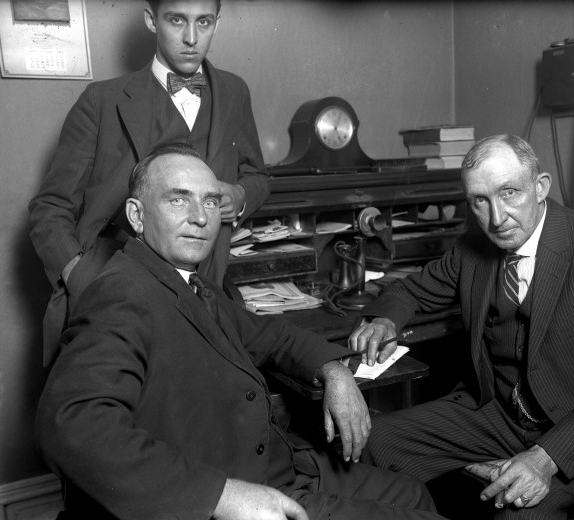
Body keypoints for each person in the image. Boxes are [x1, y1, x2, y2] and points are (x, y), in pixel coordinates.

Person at [35, 143, 445, 520]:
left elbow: (273, 334)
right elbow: (72, 425)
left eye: (210, 202)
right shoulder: (122, 294)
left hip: (273, 467)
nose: (199, 218)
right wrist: (222, 497)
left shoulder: (190, 283)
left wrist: (335, 371)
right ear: (137, 216)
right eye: (178, 199)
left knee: (413, 494)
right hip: (228, 493)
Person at [349, 134, 574, 519]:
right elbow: (412, 291)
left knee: (517, 514)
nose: (496, 217)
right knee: (374, 441)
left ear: (540, 188)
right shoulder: (473, 248)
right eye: (480, 200)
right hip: (499, 415)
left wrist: (545, 459)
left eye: (509, 192)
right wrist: (383, 319)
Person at [28, 0, 269, 366]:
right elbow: (51, 207)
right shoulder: (101, 100)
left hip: (206, 287)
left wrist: (240, 194)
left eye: (203, 22)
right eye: (176, 20)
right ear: (151, 20)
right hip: (113, 282)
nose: (191, 38)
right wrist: (77, 273)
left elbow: (258, 177)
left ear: (216, 24)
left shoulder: (235, 92)